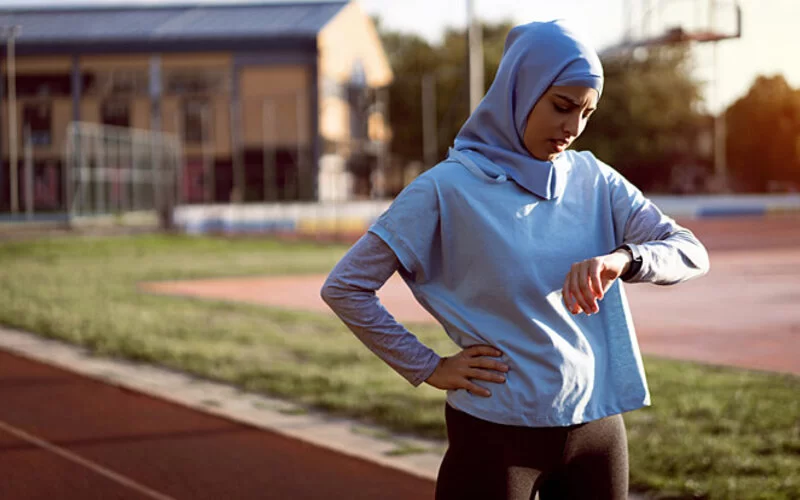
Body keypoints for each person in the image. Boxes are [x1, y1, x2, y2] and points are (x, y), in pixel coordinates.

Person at [321, 19, 709, 500]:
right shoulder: (446, 188)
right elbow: (345, 287)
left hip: (599, 432)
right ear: (519, 91)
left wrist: (623, 260)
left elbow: (690, 251)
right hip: (496, 437)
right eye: (561, 106)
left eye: (587, 113)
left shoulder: (595, 180)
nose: (572, 127)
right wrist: (425, 366)